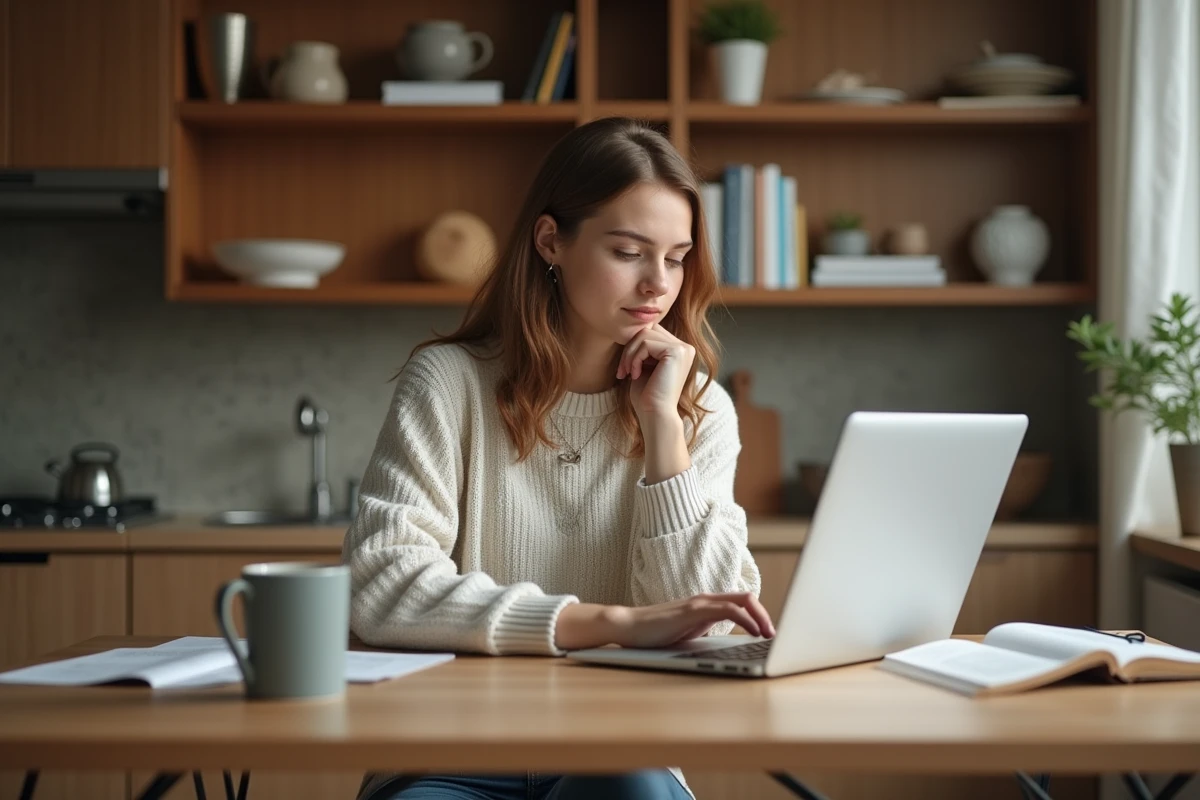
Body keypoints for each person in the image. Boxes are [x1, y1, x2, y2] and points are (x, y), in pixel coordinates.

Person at [344, 116, 775, 800]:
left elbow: (712, 624)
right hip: (448, 749)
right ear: (552, 241)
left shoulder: (701, 410)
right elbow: (382, 586)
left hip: (622, 749)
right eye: (629, 251)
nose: (657, 284)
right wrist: (610, 624)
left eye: (677, 256)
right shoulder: (448, 383)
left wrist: (664, 430)